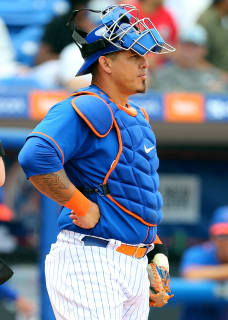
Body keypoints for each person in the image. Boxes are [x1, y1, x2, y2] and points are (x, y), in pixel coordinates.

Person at [18, 4, 174, 319]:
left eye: (144, 56)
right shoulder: (89, 105)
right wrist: (81, 205)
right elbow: (35, 156)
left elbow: (132, 192)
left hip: (131, 262)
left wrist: (155, 252)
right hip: (91, 258)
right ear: (105, 63)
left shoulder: (137, 116)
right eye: (133, 57)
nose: (145, 65)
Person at [150, 24, 228, 92]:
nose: (189, 51)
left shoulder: (214, 77)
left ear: (204, 50)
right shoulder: (161, 75)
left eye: (194, 46)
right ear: (177, 46)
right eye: (186, 45)